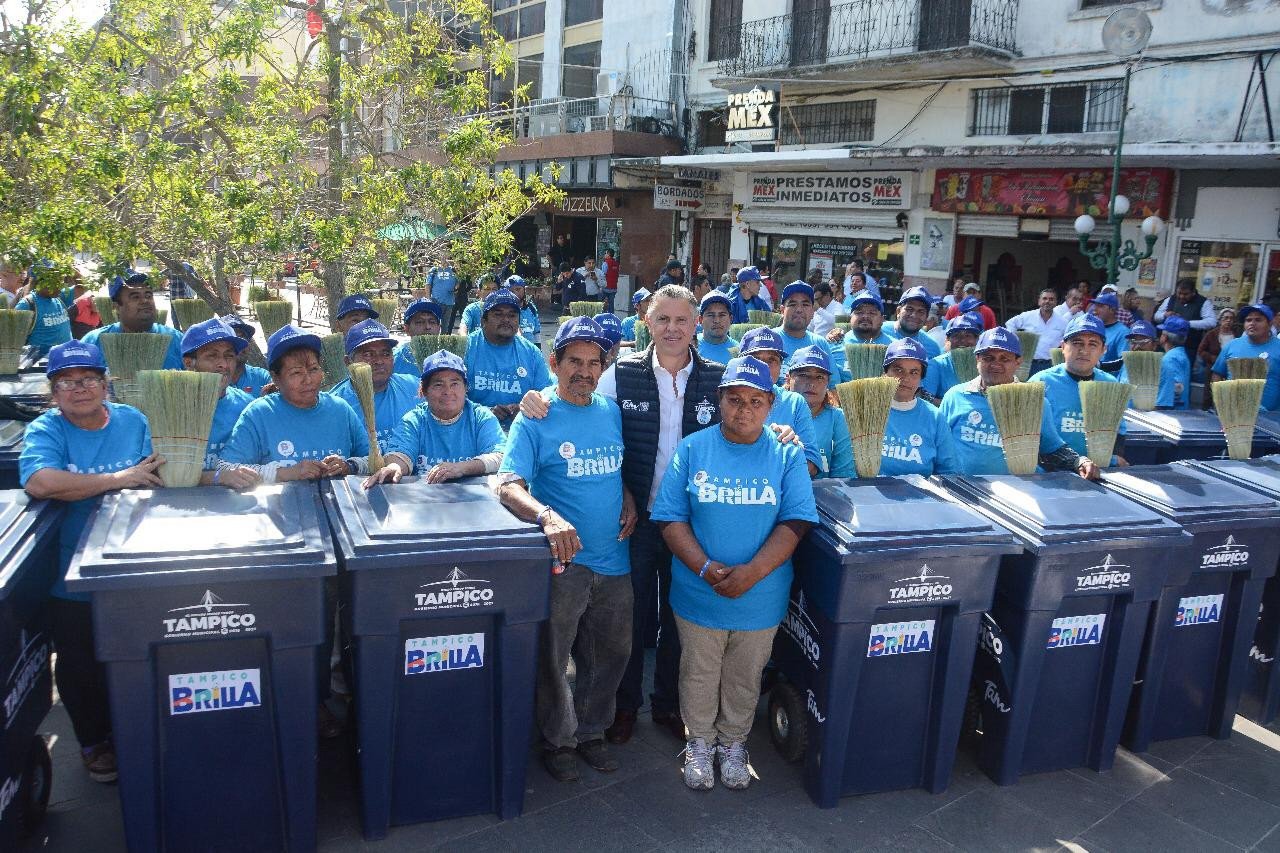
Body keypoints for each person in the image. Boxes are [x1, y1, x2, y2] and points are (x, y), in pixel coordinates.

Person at [521, 285, 724, 747]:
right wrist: (535, 399)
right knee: (627, 621)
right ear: (647, 323)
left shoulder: (717, 376)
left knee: (681, 618)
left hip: (693, 522)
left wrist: (783, 429)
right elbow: (581, 406)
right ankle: (625, 706)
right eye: (663, 319)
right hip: (637, 521)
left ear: (696, 325)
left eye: (682, 320)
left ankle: (668, 704)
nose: (672, 329)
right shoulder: (620, 374)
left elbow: (751, 417)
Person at [651, 354, 817, 791]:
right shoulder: (694, 448)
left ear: (771, 404)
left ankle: (733, 743)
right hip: (698, 593)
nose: (744, 410)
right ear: (719, 400)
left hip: (760, 596)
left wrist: (753, 572)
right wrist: (704, 567)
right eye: (735, 400)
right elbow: (670, 518)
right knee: (699, 672)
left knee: (745, 675)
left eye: (755, 401)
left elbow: (796, 521)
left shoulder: (787, 454)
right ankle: (700, 742)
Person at [497, 317, 636, 782]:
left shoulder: (610, 410)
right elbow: (508, 485)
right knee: (555, 659)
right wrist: (547, 517)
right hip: (565, 562)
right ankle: (559, 740)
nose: (585, 371)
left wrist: (629, 498)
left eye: (594, 363)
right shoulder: (535, 416)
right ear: (554, 363)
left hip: (614, 558)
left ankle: (593, 732)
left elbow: (615, 469)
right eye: (574, 361)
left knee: (611, 652)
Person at [20, 340, 159, 782]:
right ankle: (94, 741)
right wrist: (117, 479)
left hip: (131, 564)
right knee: (80, 664)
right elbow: (41, 482)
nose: (79, 389)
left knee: (135, 655)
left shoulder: (133, 420)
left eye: (88, 379)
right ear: (54, 392)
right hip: (71, 574)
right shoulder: (47, 430)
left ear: (105, 384)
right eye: (67, 382)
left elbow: (153, 471)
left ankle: (137, 729)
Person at [938, 328, 1099, 479]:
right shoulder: (955, 396)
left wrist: (1079, 461)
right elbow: (940, 443)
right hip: (964, 488)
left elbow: (1052, 448)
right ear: (977, 360)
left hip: (1018, 491)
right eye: (988, 358)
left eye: (1004, 359)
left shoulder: (1034, 402)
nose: (995, 364)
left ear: (1018, 362)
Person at [219, 325, 370, 481]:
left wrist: (350, 466)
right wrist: (285, 473)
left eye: (313, 369)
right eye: (296, 373)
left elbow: (373, 460)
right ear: (276, 378)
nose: (308, 380)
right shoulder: (259, 414)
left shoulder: (340, 409)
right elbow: (225, 468)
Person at [363, 350, 505, 486]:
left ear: (465, 388)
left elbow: (500, 456)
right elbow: (400, 454)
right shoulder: (414, 420)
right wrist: (394, 467)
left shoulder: (481, 417)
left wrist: (462, 468)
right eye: (438, 385)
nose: (448, 391)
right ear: (424, 391)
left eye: (454, 384)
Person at [1030, 314, 1127, 463]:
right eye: (1077, 343)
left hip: (1098, 470)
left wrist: (1114, 460)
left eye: (1092, 344)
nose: (1084, 351)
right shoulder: (1041, 382)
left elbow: (1119, 431)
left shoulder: (1111, 385)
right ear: (1063, 347)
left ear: (1103, 350)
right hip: (1051, 472)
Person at [180, 318, 258, 488]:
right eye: (212, 356)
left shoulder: (249, 408)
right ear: (189, 363)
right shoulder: (169, 407)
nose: (223, 364)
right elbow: (158, 473)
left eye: (229, 356)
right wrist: (217, 477)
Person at [737, 327, 821, 474]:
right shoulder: (726, 400)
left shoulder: (795, 402)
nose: (764, 366)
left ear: (781, 366)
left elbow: (812, 464)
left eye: (772, 360)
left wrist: (791, 446)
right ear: (740, 363)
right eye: (755, 359)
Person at [464, 288, 553, 426]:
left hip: (520, 429)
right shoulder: (466, 348)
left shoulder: (531, 353)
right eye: (498, 314)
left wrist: (525, 409)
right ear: (483, 321)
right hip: (473, 429)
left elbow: (546, 395)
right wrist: (484, 412)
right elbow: (449, 397)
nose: (506, 320)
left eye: (512, 315)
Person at [330, 320, 421, 446]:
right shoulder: (335, 405)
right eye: (368, 354)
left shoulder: (414, 387)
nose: (379, 361)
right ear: (348, 362)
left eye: (386, 354)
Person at [879, 338, 959, 476]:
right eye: (898, 370)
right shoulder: (864, 411)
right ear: (885, 373)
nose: (906, 378)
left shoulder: (934, 417)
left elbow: (948, 471)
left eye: (914, 372)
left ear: (921, 378)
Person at [82, 270, 184, 368]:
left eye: (148, 295)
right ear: (117, 307)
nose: (144, 300)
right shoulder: (93, 342)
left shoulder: (176, 340)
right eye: (135, 297)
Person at [785, 345, 853, 479]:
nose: (812, 383)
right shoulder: (773, 409)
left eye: (820, 377)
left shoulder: (838, 418)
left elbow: (843, 475)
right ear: (788, 378)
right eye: (803, 375)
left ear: (828, 383)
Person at [772, 281, 843, 389]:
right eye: (792, 304)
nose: (799, 310)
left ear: (813, 312)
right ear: (782, 310)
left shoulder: (820, 343)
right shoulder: (768, 340)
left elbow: (833, 386)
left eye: (805, 305)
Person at [1212, 303, 1280, 411]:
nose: (1252, 323)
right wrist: (1219, 401)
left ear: (1270, 323)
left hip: (1269, 417)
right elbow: (1217, 374)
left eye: (1258, 320)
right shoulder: (1232, 345)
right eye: (1248, 320)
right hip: (1232, 413)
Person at [1005, 288, 1068, 375]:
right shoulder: (1028, 316)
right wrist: (1015, 341)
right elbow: (1010, 323)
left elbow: (1068, 340)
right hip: (1029, 364)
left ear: (1056, 303)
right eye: (1044, 298)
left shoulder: (1063, 322)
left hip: (1050, 365)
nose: (1047, 301)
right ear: (1039, 301)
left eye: (1051, 299)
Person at [920, 313, 983, 401]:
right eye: (956, 335)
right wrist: (955, 406)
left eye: (968, 336)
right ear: (948, 339)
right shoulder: (935, 365)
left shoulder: (984, 364)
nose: (962, 340)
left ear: (977, 340)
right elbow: (926, 399)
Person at [15, 261, 73, 354]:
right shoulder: (27, 305)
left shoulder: (60, 298)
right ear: (41, 283)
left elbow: (83, 285)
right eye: (56, 282)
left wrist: (66, 265)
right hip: (41, 362)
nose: (61, 286)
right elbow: (13, 339)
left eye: (61, 281)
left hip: (66, 359)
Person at [1154, 278, 1216, 358]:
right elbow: (1156, 316)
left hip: (1189, 347)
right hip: (1166, 344)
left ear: (1193, 292)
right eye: (1179, 293)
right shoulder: (1170, 299)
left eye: (1186, 294)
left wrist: (1187, 323)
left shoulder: (1203, 302)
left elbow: (1212, 322)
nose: (1181, 296)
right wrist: (1165, 315)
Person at [221, 314, 273, 397]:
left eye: (243, 338)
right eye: (233, 338)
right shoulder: (211, 380)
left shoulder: (261, 377)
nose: (240, 344)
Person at [885, 286, 942, 359]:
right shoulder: (879, 332)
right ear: (898, 311)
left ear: (926, 316)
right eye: (909, 309)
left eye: (921, 311)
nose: (914, 315)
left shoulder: (932, 348)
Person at [391, 298, 444, 377]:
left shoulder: (450, 359)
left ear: (439, 328)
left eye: (432, 322)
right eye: (420, 322)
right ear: (407, 329)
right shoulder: (395, 360)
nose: (427, 327)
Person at [1156, 315, 1192, 410]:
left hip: (1169, 414)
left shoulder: (1170, 358)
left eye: (1162, 334)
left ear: (1165, 338)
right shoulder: (1180, 354)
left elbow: (1176, 389)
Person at [1088, 291, 1129, 372]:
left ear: (1112, 310)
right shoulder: (1092, 328)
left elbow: (1124, 361)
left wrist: (1099, 365)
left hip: (1108, 378)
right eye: (1095, 305)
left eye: (1100, 306)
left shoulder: (1123, 332)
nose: (1095, 309)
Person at [1197, 306, 1237, 388]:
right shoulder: (1211, 334)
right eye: (1226, 318)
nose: (1228, 320)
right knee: (1212, 391)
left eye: (1231, 318)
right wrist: (1212, 358)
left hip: (1231, 369)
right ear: (1220, 320)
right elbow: (1201, 351)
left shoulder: (1237, 335)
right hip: (1213, 369)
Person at [697, 291, 738, 365]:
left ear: (731, 319)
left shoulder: (738, 352)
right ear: (700, 320)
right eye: (710, 315)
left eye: (722, 315)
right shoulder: (688, 348)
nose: (717, 320)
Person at [504, 275, 542, 345]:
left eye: (518, 289)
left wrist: (538, 349)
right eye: (511, 291)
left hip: (530, 350)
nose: (515, 293)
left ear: (524, 290)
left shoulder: (531, 308)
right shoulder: (503, 311)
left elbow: (536, 332)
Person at [426, 257, 461, 333]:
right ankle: (433, 340)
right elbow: (428, 285)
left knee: (445, 327)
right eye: (441, 257)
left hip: (449, 302)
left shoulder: (454, 271)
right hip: (436, 301)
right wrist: (428, 299)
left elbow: (458, 283)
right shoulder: (434, 270)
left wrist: (456, 288)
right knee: (434, 324)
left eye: (445, 257)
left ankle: (443, 340)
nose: (443, 259)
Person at [602, 248, 620, 314]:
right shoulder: (617, 263)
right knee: (611, 305)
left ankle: (603, 317)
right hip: (614, 288)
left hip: (606, 287)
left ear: (608, 254)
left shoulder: (605, 263)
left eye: (605, 253)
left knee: (603, 305)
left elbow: (602, 275)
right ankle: (611, 317)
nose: (605, 255)